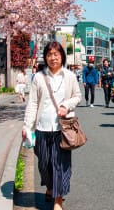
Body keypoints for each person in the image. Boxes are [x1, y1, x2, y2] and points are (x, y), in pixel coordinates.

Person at [22, 41, 81, 210]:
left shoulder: (69, 76)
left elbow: (77, 96)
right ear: (45, 58)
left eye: (56, 54)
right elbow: (33, 103)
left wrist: (66, 105)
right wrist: (27, 126)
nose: (53, 58)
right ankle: (49, 187)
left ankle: (58, 200)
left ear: (62, 56)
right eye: (49, 54)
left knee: (60, 165)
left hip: (62, 129)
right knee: (44, 164)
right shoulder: (39, 77)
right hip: (41, 128)